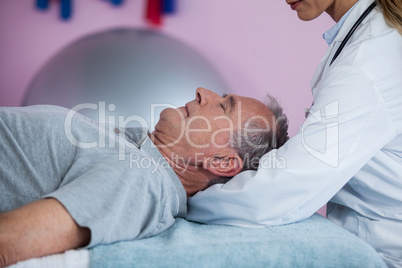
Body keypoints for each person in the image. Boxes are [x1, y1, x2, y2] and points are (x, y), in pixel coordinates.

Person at [186, 0, 402, 267]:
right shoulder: (364, 40)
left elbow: (281, 190)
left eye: (224, 104)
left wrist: (179, 199)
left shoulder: (367, 62)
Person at [0, 87, 289, 267]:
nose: (203, 91)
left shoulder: (141, 180)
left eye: (225, 106)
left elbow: (7, 243)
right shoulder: (137, 151)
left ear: (222, 162)